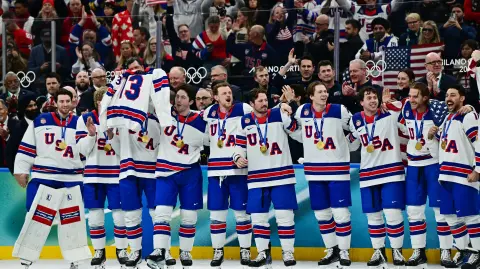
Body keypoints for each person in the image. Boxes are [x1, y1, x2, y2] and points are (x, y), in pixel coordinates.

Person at [12, 88, 91, 269]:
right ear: (55, 102)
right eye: (61, 101)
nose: (64, 104)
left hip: (72, 179)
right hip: (43, 177)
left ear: (74, 102)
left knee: (72, 220)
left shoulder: (80, 123)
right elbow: (27, 147)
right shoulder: (40, 121)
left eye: (67, 101)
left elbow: (86, 150)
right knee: (34, 217)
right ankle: (26, 257)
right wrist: (21, 170)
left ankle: (75, 259)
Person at [384, 83, 455, 267]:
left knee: (441, 212)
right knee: (414, 212)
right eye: (410, 95)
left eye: (415, 96)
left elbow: (457, 114)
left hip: (433, 164)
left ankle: (446, 252)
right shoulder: (407, 107)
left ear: (425, 97)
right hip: (414, 165)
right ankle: (418, 251)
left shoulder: (437, 111)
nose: (411, 99)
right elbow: (397, 118)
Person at [233, 88, 298, 267]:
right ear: (252, 104)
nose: (264, 103)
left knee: (285, 217)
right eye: (259, 101)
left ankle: (288, 253)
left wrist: (289, 106)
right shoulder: (245, 121)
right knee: (258, 219)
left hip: (281, 176)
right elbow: (239, 146)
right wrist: (237, 157)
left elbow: (294, 129)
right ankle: (262, 253)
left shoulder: (278, 114)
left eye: (265, 100)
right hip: (256, 178)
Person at [291, 81, 353, 267]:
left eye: (325, 91)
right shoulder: (302, 111)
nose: (324, 94)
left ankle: (344, 251)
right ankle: (332, 249)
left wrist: (349, 145)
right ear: (311, 96)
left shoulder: (338, 110)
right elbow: (295, 131)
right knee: (322, 214)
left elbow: (356, 129)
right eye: (319, 92)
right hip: (314, 171)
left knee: (341, 213)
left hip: (337, 169)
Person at [150, 83, 208, 269]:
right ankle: (160, 250)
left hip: (190, 172)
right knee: (162, 213)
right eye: (177, 97)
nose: (178, 100)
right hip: (166, 171)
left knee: (189, 216)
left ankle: (185, 251)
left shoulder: (201, 120)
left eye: (183, 97)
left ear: (191, 101)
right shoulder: (165, 114)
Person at [112, 60, 163, 268]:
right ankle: (135, 252)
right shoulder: (121, 111)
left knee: (157, 213)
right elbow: (113, 142)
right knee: (130, 215)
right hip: (128, 170)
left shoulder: (157, 111)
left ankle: (161, 251)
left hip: (152, 171)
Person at [348, 87, 406, 268]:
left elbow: (404, 111)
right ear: (361, 102)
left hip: (391, 172)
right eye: (369, 98)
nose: (373, 100)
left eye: (375, 97)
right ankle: (378, 250)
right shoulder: (355, 120)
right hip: (367, 174)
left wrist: (388, 103)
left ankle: (397, 250)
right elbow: (352, 144)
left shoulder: (390, 112)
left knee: (393, 214)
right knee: (373, 216)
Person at [75, 87, 128, 269]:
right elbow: (81, 151)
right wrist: (91, 135)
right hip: (93, 176)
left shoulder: (122, 120)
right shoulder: (84, 119)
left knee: (120, 217)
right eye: (103, 101)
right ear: (98, 103)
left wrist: (112, 136)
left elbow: (125, 150)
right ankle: (99, 251)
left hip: (117, 175)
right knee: (96, 217)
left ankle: (121, 251)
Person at [203, 82, 253, 267]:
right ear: (215, 97)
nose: (228, 95)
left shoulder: (244, 109)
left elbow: (256, 130)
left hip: (238, 170)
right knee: (217, 215)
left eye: (229, 92)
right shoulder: (209, 113)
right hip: (216, 172)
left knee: (242, 214)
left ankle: (245, 251)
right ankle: (218, 250)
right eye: (223, 93)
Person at [433, 85, 480, 268]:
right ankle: (463, 250)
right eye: (446, 95)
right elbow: (446, 145)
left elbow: (478, 142)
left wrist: (478, 169)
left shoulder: (468, 115)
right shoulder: (448, 117)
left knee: (471, 216)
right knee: (451, 217)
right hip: (446, 176)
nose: (448, 98)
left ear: (462, 98)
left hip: (463, 176)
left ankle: (477, 252)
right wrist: (433, 136)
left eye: (453, 95)